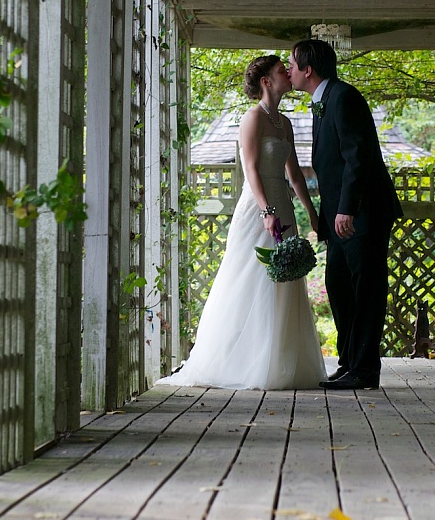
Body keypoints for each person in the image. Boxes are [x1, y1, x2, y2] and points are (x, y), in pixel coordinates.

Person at [158, 55, 326, 390]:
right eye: (282, 71)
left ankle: (281, 362)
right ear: (266, 80)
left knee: (285, 280)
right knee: (252, 279)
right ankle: (242, 362)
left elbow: (293, 173)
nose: (288, 75)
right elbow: (250, 170)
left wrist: (310, 211)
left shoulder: (285, 123)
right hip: (258, 207)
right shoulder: (252, 119)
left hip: (284, 206)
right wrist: (267, 211)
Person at [287, 39, 403, 390]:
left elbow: (358, 158)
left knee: (366, 289)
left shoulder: (343, 97)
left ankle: (365, 370)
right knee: (338, 285)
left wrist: (346, 210)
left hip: (362, 213)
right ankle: (350, 361)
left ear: (309, 69)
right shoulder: (323, 101)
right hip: (340, 217)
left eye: (292, 64)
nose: (288, 70)